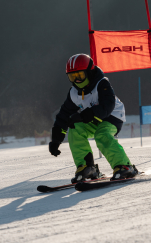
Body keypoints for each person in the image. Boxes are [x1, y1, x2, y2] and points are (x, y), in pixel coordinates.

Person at [49, 53, 138, 183]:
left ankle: (124, 166)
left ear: (89, 72)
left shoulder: (102, 84)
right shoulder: (74, 93)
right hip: (92, 119)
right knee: (75, 127)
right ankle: (86, 167)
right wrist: (56, 140)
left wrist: (85, 115)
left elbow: (107, 105)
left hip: (112, 116)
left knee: (102, 134)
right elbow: (63, 116)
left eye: (80, 75)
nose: (77, 81)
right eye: (72, 77)